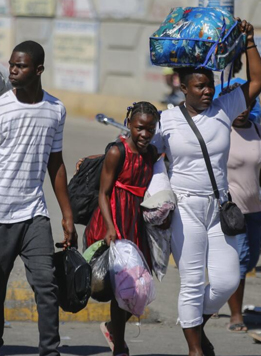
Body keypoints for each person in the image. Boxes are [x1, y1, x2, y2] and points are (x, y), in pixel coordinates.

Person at [151, 19, 261, 356]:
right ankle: (195, 350)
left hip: (219, 207)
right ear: (183, 87)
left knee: (228, 279)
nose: (206, 91)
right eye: (199, 86)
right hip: (185, 209)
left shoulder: (225, 108)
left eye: (209, 85)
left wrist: (249, 41)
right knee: (190, 283)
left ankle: (194, 326)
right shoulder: (167, 119)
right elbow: (141, 149)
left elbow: (257, 80)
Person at [0, 41, 77, 356]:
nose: (12, 70)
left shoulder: (56, 109)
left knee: (47, 286)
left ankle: (49, 350)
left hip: (34, 214)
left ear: (38, 70)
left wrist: (66, 214)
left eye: (20, 66)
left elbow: (56, 163)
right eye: (11, 64)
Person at [84, 102, 161, 356]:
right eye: (140, 128)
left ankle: (112, 329)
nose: (144, 134)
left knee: (138, 286)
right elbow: (103, 194)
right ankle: (119, 346)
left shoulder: (152, 154)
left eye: (151, 129)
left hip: (135, 223)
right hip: (113, 221)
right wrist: (109, 228)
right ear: (129, 124)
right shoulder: (119, 152)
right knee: (121, 286)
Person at [223, 85, 261, 333]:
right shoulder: (221, 132)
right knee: (240, 262)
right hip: (232, 209)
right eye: (237, 105)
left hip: (255, 209)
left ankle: (217, 293)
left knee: (251, 260)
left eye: (247, 104)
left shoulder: (256, 130)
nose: (242, 110)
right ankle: (236, 316)